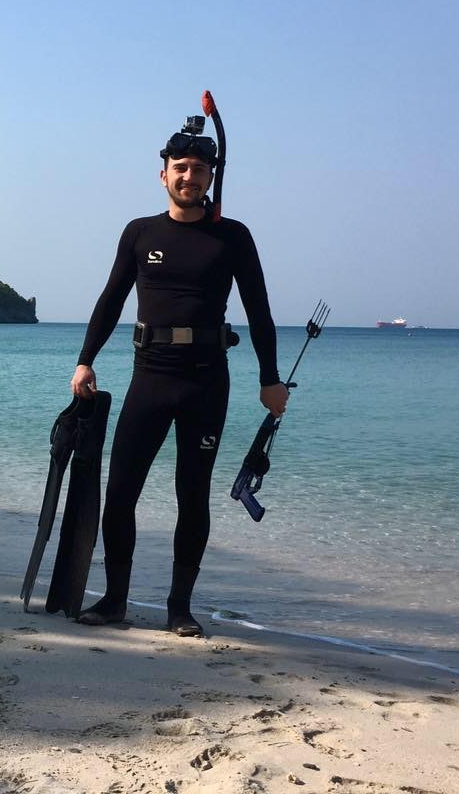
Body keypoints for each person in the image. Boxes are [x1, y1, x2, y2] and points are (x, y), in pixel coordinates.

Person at [70, 119, 288, 637]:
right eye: (181, 168)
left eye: (199, 169)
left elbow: (259, 310)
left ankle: (179, 608)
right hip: (150, 376)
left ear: (212, 176)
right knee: (121, 491)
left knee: (192, 494)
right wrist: (85, 359)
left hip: (206, 382)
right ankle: (115, 599)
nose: (190, 177)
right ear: (163, 173)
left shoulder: (232, 236)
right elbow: (110, 299)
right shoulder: (140, 232)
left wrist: (270, 379)